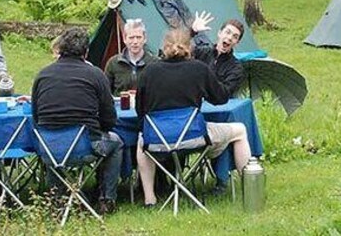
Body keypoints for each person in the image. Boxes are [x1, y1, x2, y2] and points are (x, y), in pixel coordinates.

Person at [136, 28, 251, 207]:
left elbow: (140, 111)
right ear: (189, 47)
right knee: (240, 130)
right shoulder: (199, 69)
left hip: (157, 139)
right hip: (195, 137)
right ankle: (250, 188)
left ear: (164, 47)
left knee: (141, 140)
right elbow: (220, 98)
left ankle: (149, 198)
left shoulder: (149, 72)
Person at [32, 27, 123, 215]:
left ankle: (55, 200)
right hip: (84, 146)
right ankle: (107, 199)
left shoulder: (42, 75)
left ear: (60, 48)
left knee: (54, 146)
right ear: (86, 52)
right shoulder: (96, 74)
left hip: (48, 147)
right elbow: (109, 119)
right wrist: (100, 129)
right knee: (117, 143)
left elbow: (36, 117)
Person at [192, 17, 246, 98]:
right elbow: (176, 50)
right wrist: (192, 32)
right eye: (227, 32)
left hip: (215, 108)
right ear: (219, 33)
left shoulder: (236, 68)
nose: (230, 38)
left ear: (237, 42)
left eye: (235, 37)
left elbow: (225, 93)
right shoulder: (201, 52)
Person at [104, 19, 159, 95]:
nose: (135, 42)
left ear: (145, 39)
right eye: (131, 38)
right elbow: (106, 93)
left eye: (139, 37)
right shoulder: (113, 63)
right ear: (124, 39)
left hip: (146, 106)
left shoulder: (155, 63)